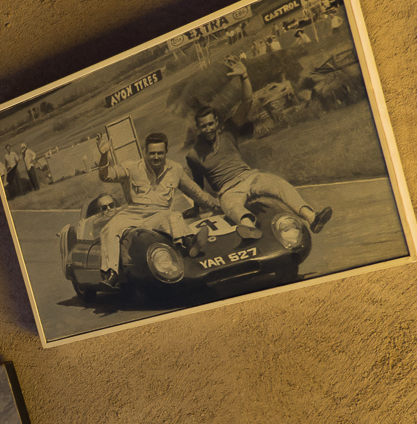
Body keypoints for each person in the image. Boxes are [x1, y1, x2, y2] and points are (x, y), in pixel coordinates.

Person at [185, 57, 332, 240]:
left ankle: (312, 218)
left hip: (250, 177)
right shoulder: (193, 155)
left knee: (279, 184)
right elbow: (197, 186)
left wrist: (244, 76)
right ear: (198, 128)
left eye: (210, 124)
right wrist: (196, 209)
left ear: (216, 122)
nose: (208, 129)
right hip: (227, 190)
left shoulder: (228, 130)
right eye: (203, 126)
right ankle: (249, 229)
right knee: (231, 207)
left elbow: (247, 101)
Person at [95, 130, 221, 276]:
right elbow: (106, 176)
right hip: (133, 213)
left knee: (173, 216)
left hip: (159, 213)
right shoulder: (131, 167)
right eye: (152, 153)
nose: (156, 157)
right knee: (108, 229)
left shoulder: (176, 169)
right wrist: (104, 155)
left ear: (166, 152)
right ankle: (111, 273)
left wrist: (217, 206)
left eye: (160, 153)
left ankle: (191, 243)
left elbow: (195, 192)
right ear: (145, 152)